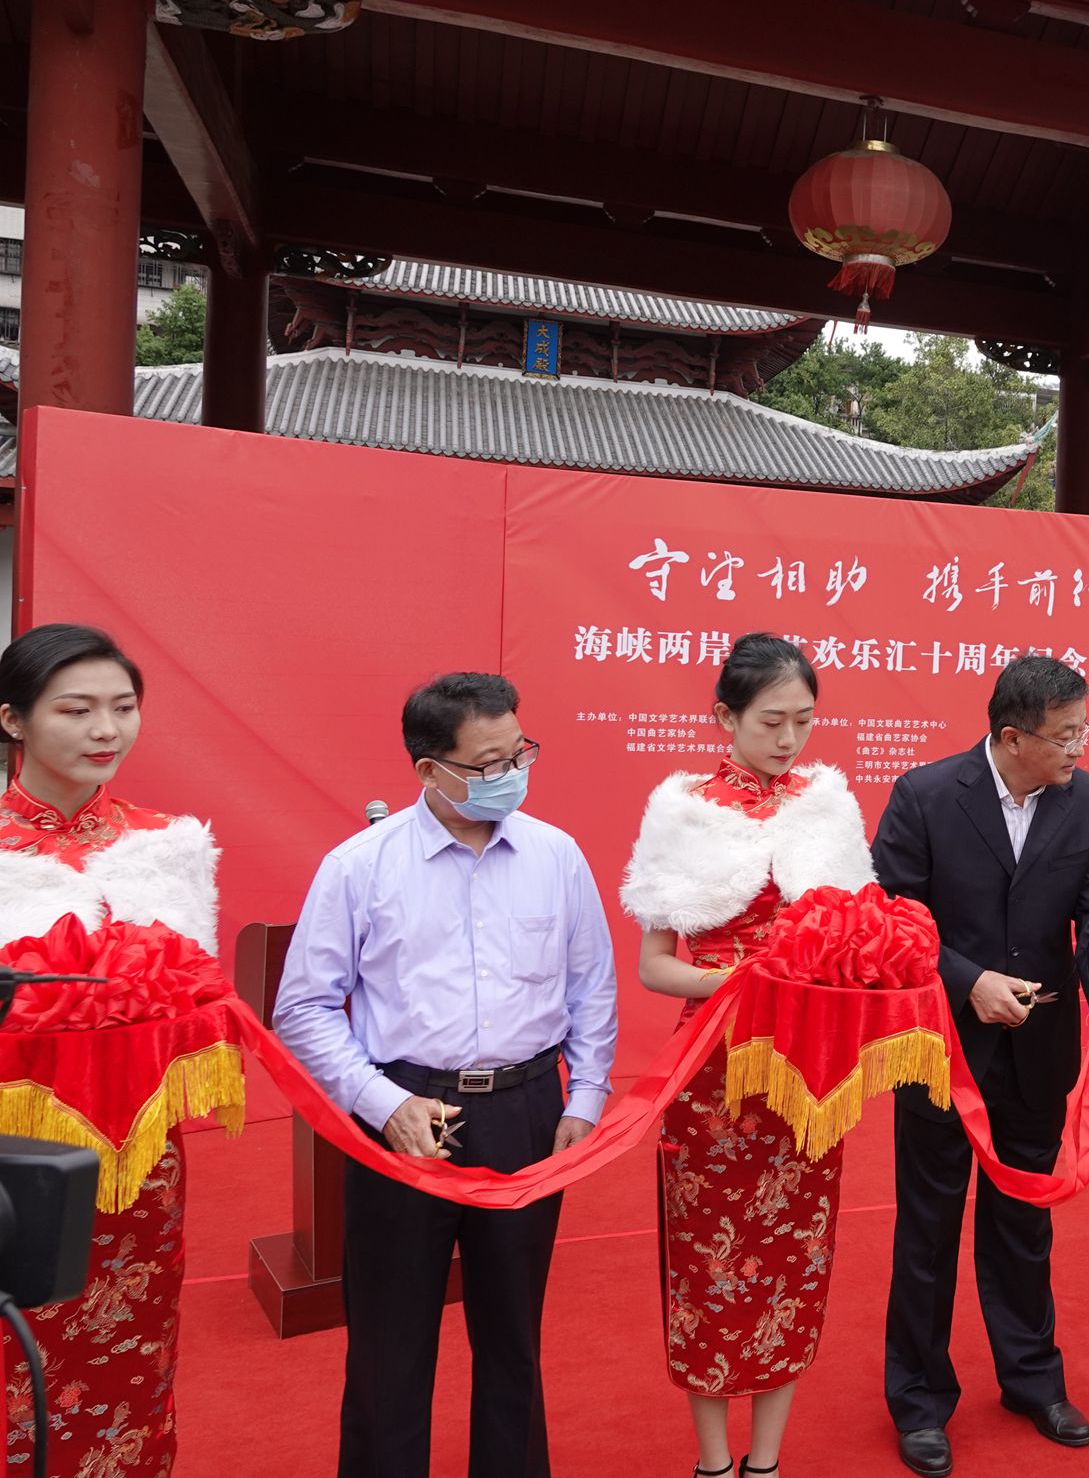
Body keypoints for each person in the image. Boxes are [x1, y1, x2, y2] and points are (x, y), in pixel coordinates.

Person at [275, 673, 619, 1478]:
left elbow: (592, 987)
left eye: (520, 754)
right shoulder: (360, 866)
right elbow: (304, 1008)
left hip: (526, 1112)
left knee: (513, 1335)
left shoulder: (556, 855)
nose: (511, 775)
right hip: (403, 1114)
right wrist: (382, 1101)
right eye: (488, 763)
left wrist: (586, 1093)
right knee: (389, 1344)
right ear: (428, 768)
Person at [620, 634, 878, 1478]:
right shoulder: (684, 810)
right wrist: (741, 982)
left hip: (809, 1072)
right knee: (709, 1262)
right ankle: (712, 1461)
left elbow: (856, 947)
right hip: (714, 1072)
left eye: (804, 719)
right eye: (771, 720)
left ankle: (766, 1461)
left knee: (794, 1256)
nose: (788, 738)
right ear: (725, 716)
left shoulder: (828, 805)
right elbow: (656, 965)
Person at [873, 656, 1089, 1478]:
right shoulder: (925, 795)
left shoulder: (1088, 801)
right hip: (942, 1048)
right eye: (1066, 735)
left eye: (1083, 730)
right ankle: (920, 1398)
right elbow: (893, 920)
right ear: (1013, 736)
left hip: (1038, 1049)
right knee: (929, 1226)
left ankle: (1031, 1379)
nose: (1080, 749)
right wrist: (968, 981)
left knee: (1024, 1222)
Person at [0, 624, 218, 1478]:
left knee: (131, 1348)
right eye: (76, 709)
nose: (106, 730)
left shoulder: (168, 842)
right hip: (10, 1153)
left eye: (123, 707)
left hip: (137, 1163)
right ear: (12, 719)